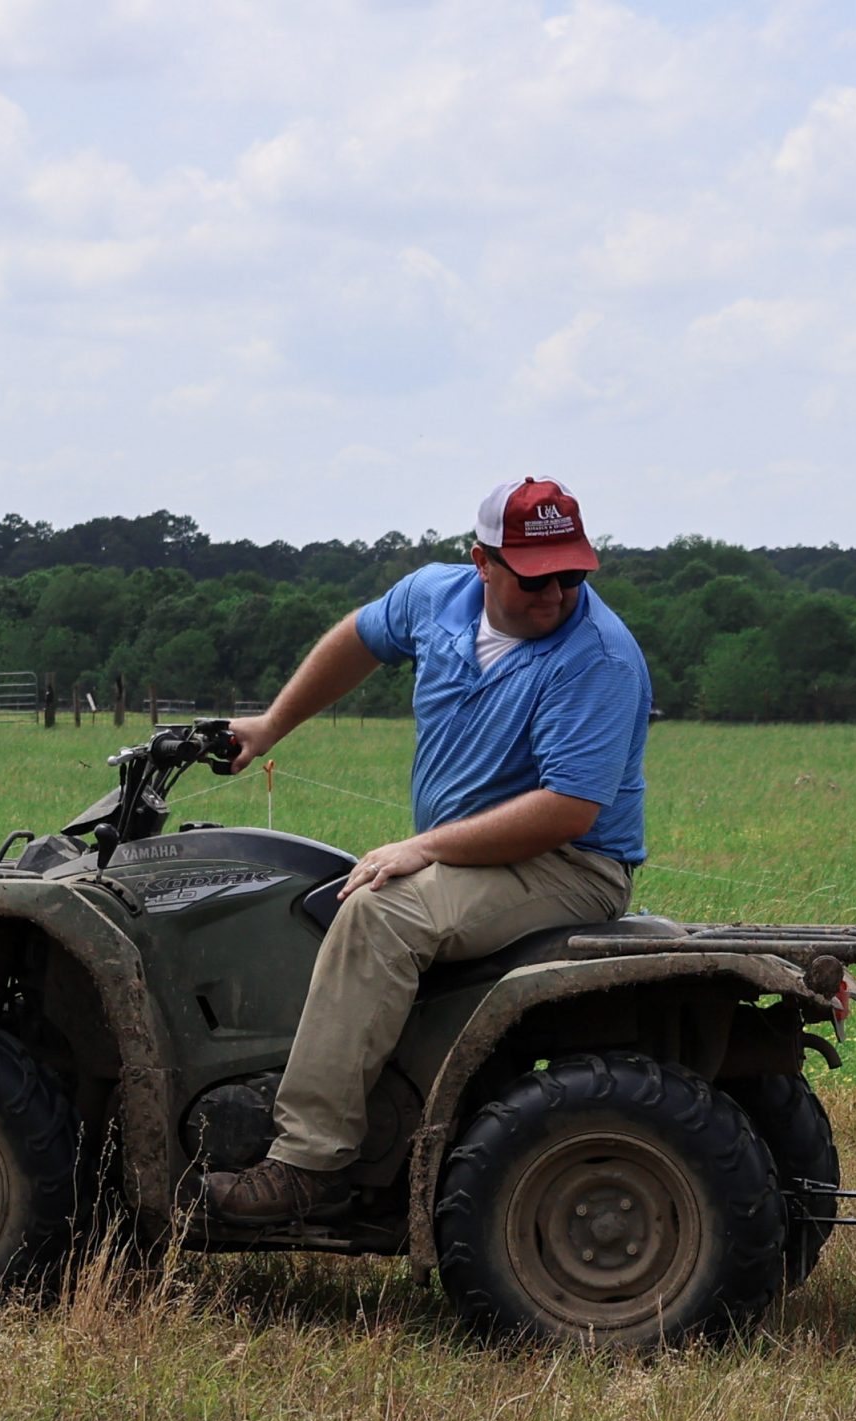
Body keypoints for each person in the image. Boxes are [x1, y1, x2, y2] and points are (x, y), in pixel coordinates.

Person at [203, 477, 651, 1225]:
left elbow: (567, 811)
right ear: (482, 562)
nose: (557, 595)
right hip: (467, 855)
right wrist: (271, 724)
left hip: (570, 866)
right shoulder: (434, 598)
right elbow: (360, 638)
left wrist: (423, 847)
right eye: (537, 578)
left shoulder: (597, 657)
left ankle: (306, 1164)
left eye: (572, 575)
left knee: (380, 914)